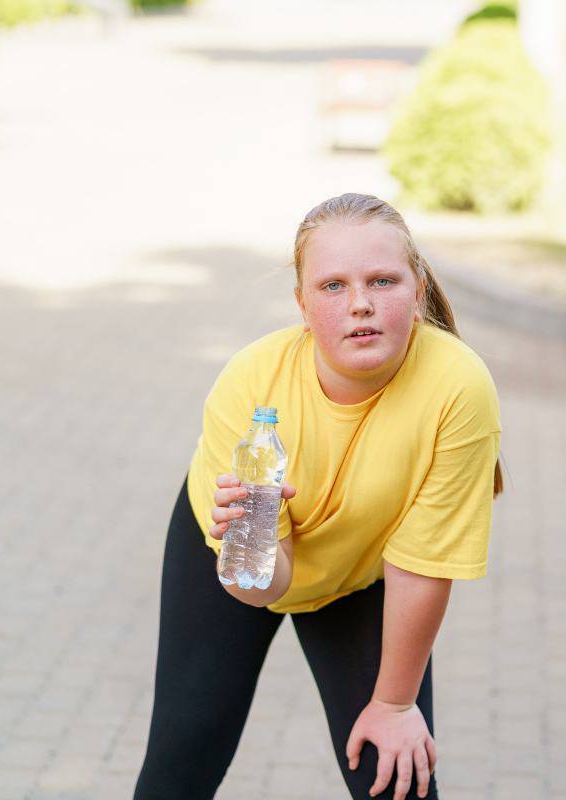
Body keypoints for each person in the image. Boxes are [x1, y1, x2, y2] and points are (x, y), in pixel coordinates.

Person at [134, 193, 502, 799]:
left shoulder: (457, 386)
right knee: (182, 764)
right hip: (236, 560)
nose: (360, 303)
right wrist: (244, 536)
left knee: (396, 774)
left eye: (383, 280)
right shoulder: (252, 383)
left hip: (362, 577)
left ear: (417, 292)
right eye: (333, 287)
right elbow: (264, 587)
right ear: (303, 305)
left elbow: (425, 565)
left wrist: (394, 703)